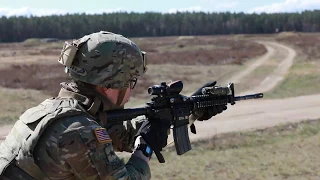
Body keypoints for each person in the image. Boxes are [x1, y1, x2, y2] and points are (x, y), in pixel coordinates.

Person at [0, 31, 226, 179]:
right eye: (131, 82)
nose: (131, 90)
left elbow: (123, 134)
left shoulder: (58, 111)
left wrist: (187, 112)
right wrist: (145, 150)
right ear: (109, 84)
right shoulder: (79, 131)